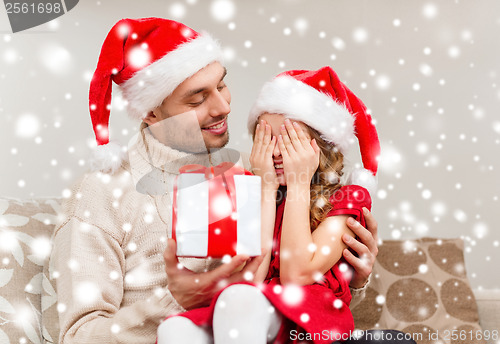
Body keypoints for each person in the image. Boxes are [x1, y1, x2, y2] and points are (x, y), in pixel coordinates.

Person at [50, 18, 379, 344]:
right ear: (151, 112)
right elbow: (78, 337)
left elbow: (289, 296)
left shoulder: (248, 178)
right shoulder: (102, 193)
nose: (223, 107)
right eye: (196, 100)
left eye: (222, 85)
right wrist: (176, 301)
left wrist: (351, 275)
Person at [157, 66, 380, 344]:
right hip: (252, 311)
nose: (275, 152)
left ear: (322, 146)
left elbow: (295, 274)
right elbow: (253, 276)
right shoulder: (255, 190)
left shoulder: (348, 198)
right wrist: (265, 187)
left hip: (305, 320)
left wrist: (299, 181)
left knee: (238, 298)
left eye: (288, 140)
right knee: (174, 329)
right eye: (266, 139)